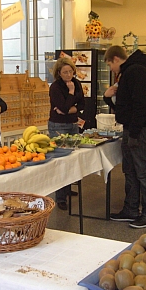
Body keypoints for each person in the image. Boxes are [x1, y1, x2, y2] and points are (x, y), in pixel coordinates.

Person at [103, 46, 146, 229]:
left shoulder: (136, 71)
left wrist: (134, 133)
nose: (111, 69)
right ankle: (131, 209)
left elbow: (141, 104)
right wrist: (107, 98)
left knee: (143, 170)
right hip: (131, 128)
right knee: (130, 170)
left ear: (116, 59)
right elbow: (124, 106)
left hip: (139, 129)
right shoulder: (129, 73)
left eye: (110, 64)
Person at [48, 57, 85, 210]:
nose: (69, 75)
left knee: (72, 158)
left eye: (70, 71)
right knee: (61, 160)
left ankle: (68, 188)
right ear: (59, 73)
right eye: (65, 72)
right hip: (58, 125)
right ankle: (60, 197)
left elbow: (82, 104)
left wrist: (70, 109)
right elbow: (61, 108)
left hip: (72, 123)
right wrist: (70, 94)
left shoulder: (77, 83)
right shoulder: (55, 87)